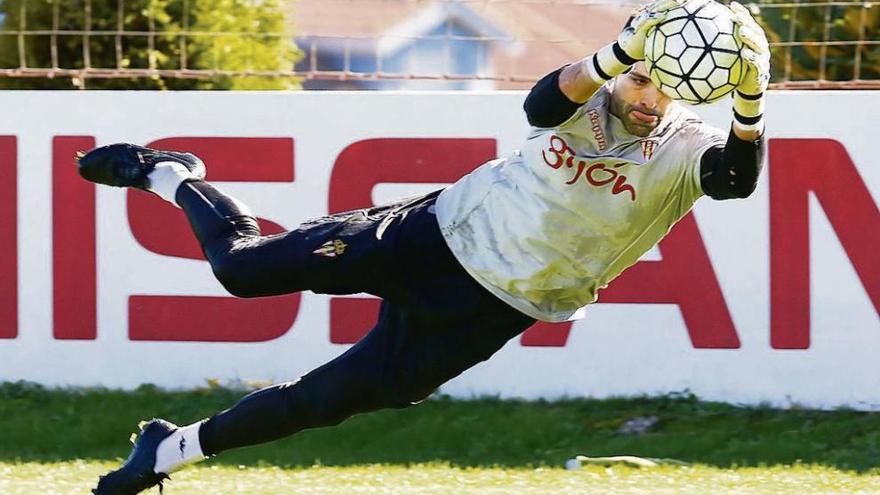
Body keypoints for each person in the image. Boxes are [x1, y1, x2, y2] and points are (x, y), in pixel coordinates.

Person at [84, 1, 770, 493]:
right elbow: (537, 107)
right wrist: (622, 53)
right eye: (641, 78)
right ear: (623, 68)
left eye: (665, 85)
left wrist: (751, 99)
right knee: (240, 267)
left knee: (329, 399)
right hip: (435, 231)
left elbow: (736, 181)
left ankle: (167, 450)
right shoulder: (584, 94)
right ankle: (171, 175)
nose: (650, 98)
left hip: (495, 305)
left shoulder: (686, 147)